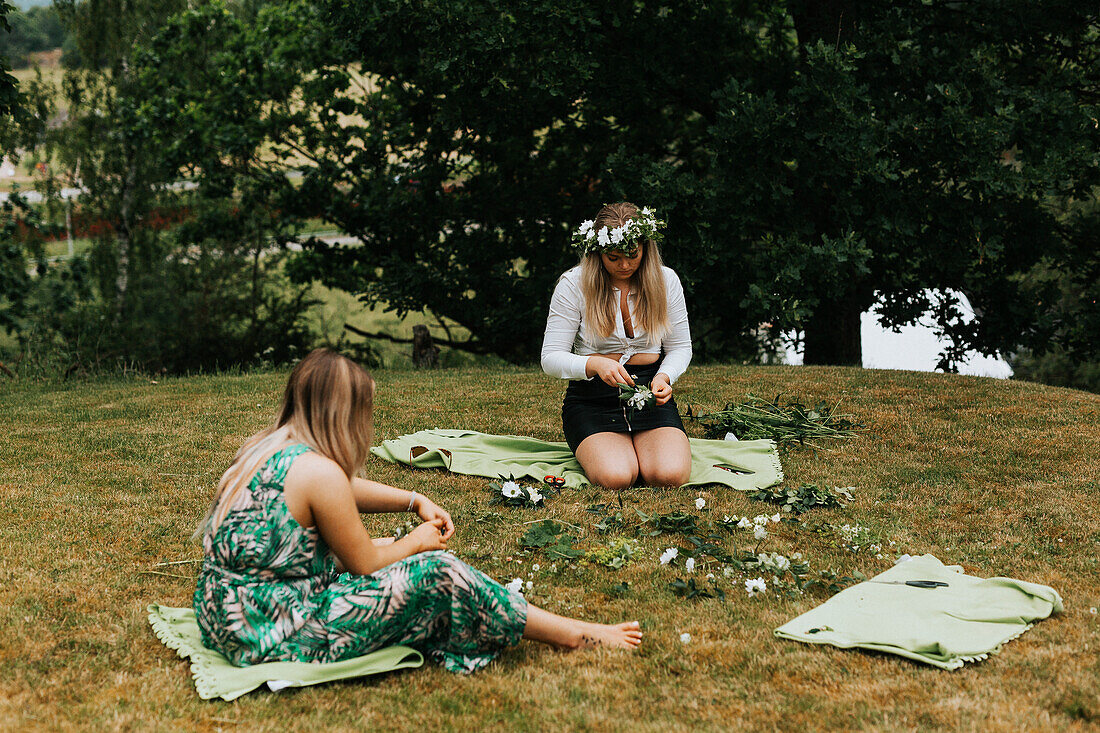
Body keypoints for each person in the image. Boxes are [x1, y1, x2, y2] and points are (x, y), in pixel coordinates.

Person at [193, 349, 641, 675]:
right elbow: (364, 563)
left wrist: (411, 499)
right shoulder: (320, 474)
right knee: (438, 571)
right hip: (278, 630)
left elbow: (339, 490)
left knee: (397, 552)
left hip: (228, 615)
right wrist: (416, 543)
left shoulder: (268, 448)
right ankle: (570, 633)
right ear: (344, 414)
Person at [541, 202, 692, 489]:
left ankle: (647, 446)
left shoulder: (666, 280)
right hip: (592, 399)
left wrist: (665, 376)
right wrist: (594, 364)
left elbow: (681, 347)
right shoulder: (573, 284)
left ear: (645, 248)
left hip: (649, 392)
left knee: (669, 475)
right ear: (597, 253)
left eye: (633, 255)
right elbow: (550, 358)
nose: (624, 265)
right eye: (613, 258)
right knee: (616, 477)